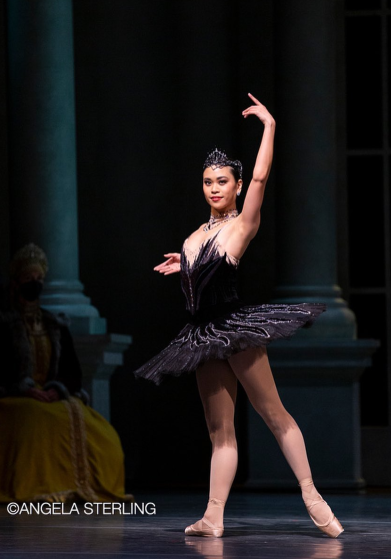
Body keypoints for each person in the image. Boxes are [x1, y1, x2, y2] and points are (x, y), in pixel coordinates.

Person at [135, 94, 343, 538]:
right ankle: (213, 516)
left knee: (273, 414)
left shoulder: (240, 224)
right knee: (219, 429)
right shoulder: (194, 235)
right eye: (208, 181)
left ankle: (311, 495)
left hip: (233, 329)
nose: (214, 187)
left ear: (236, 185)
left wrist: (269, 125)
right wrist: (185, 265)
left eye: (223, 181)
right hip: (200, 335)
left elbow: (263, 177)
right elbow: (197, 281)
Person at [0, 243, 130, 503]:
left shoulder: (54, 324)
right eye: (28, 279)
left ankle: (83, 488)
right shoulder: (0, 324)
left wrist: (54, 388)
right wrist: (24, 388)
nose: (34, 284)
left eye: (39, 279)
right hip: (13, 398)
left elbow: (72, 371)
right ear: (16, 283)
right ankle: (39, 489)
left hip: (50, 396)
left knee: (102, 434)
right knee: (31, 420)